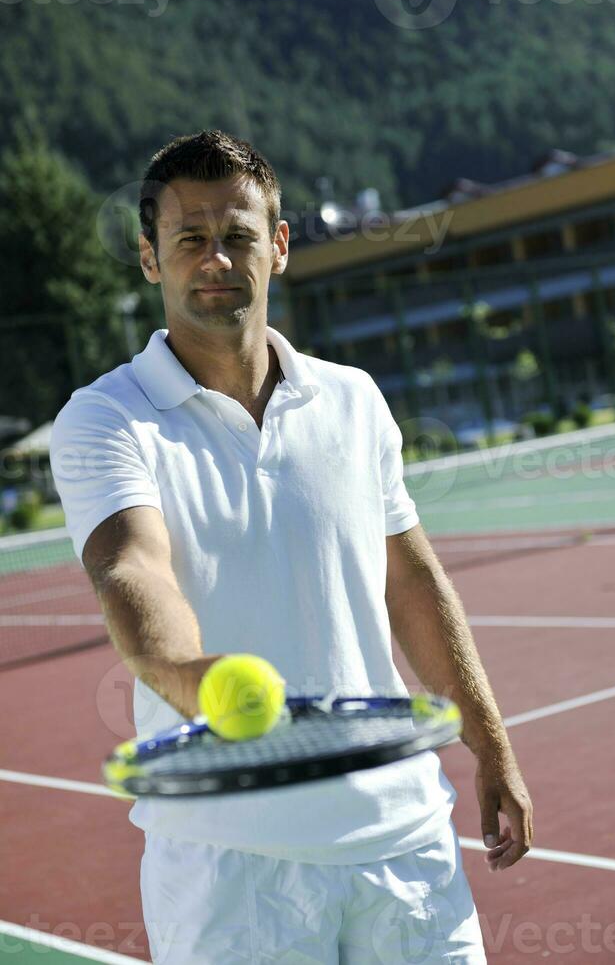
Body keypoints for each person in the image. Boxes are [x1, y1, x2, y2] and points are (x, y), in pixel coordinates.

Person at [50, 129, 533, 964]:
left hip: (403, 843)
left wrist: (490, 741)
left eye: (238, 237)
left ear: (277, 247)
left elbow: (411, 580)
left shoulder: (355, 398)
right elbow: (131, 565)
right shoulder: (104, 417)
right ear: (149, 258)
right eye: (189, 240)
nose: (216, 260)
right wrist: (190, 678)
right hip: (231, 870)